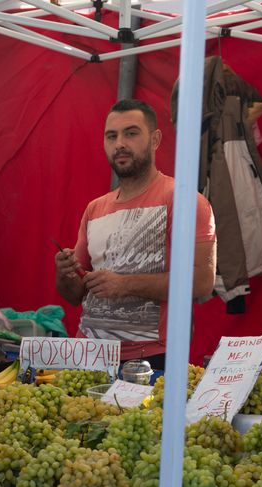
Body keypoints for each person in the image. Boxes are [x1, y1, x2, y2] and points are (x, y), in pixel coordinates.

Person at [55, 99, 217, 367]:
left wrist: (124, 284)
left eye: (131, 133)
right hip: (89, 355)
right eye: (111, 136)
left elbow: (201, 282)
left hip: (152, 359)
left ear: (155, 140)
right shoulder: (95, 209)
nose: (119, 143)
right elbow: (74, 294)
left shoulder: (185, 200)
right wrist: (65, 273)